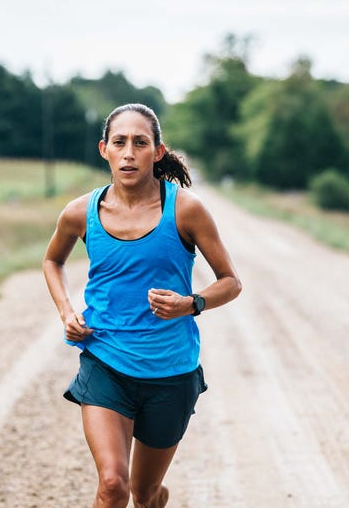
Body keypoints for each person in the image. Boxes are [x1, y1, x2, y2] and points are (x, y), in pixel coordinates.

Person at [42, 103, 241, 508]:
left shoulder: (186, 209)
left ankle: (154, 498)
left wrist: (191, 303)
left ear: (158, 151)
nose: (129, 152)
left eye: (140, 142)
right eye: (120, 142)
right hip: (105, 362)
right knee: (113, 485)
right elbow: (52, 261)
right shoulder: (81, 212)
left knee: (144, 493)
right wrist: (66, 310)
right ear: (104, 149)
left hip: (170, 373)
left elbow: (231, 282)